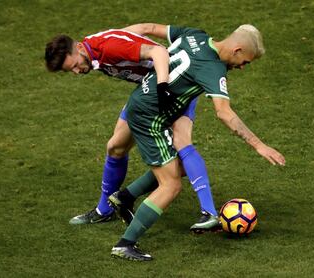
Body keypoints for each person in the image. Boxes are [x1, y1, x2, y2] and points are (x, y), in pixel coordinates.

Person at [109, 23, 286, 261]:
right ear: (237, 49)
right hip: (149, 117)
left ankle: (125, 197)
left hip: (142, 101)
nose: (243, 67)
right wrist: (259, 145)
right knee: (170, 186)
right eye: (245, 61)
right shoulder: (214, 69)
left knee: (180, 166)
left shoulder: (195, 34)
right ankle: (125, 244)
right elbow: (224, 113)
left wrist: (115, 37)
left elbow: (151, 27)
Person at [44, 26, 220, 232]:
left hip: (172, 86)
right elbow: (141, 29)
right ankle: (105, 210)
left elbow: (159, 52)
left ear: (79, 48)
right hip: (148, 92)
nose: (76, 71)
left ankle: (209, 212)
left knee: (182, 143)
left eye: (74, 65)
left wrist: (162, 88)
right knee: (116, 147)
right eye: (70, 70)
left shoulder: (109, 47)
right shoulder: (93, 50)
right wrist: (133, 37)